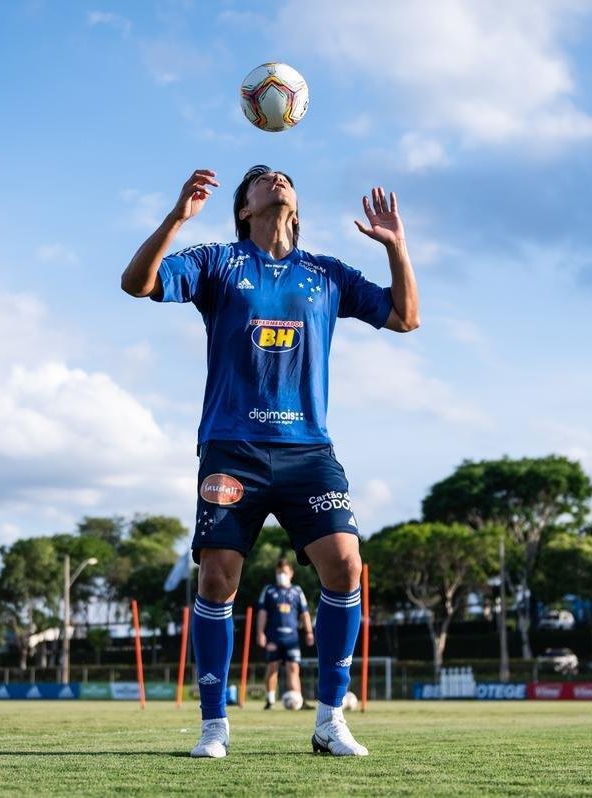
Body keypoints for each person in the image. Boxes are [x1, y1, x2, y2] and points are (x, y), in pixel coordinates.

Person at [120, 165, 419, 758]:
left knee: (345, 566)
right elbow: (136, 283)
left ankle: (331, 719)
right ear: (243, 209)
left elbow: (405, 317)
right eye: (261, 179)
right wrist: (176, 220)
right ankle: (214, 726)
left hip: (310, 451)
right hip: (233, 449)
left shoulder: (326, 274)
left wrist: (397, 249)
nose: (275, 180)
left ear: (295, 204)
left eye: (283, 176)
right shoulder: (216, 263)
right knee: (217, 578)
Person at [256, 558, 314, 710]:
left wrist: (309, 631)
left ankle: (297, 700)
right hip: (273, 636)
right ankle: (270, 700)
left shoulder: (297, 591)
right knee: (272, 667)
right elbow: (262, 613)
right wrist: (260, 633)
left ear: (291, 573)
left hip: (292, 637)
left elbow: (305, 613)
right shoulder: (269, 590)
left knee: (293, 667)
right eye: (279, 572)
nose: (281, 575)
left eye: (284, 572)